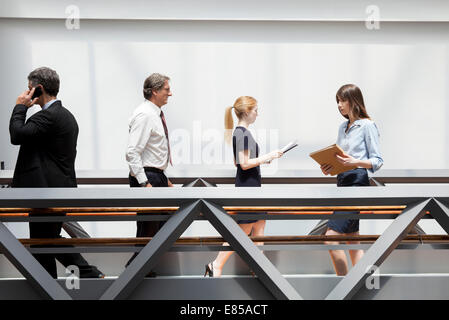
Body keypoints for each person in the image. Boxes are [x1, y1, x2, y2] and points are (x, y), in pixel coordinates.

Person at [9, 67, 104, 278]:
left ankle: (85, 275)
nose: (26, 94)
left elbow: (16, 135)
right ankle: (80, 276)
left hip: (47, 193)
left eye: (29, 89)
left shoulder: (49, 116)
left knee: (44, 243)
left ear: (38, 88)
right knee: (45, 243)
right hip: (52, 191)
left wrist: (19, 107)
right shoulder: (63, 115)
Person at [204, 96, 283, 277]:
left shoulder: (240, 133)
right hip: (248, 186)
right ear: (247, 112)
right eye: (255, 110)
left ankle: (259, 268)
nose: (257, 114)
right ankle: (216, 265)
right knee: (245, 229)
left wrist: (264, 160)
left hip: (251, 185)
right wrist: (268, 156)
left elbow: (238, 162)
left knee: (260, 225)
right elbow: (244, 163)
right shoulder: (242, 133)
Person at [320, 84, 383, 276]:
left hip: (357, 182)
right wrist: (329, 166)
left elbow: (377, 161)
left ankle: (343, 286)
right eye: (337, 101)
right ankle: (361, 287)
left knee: (330, 238)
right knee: (353, 241)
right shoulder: (343, 127)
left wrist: (355, 162)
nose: (339, 105)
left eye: (343, 100)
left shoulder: (367, 125)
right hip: (342, 182)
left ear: (353, 101)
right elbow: (341, 157)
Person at [125, 73, 174, 270]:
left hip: (156, 176)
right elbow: (132, 152)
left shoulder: (154, 113)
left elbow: (151, 152)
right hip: (148, 178)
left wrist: (164, 178)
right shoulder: (145, 114)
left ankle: (142, 270)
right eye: (166, 89)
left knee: (156, 231)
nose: (170, 93)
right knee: (149, 232)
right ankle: (135, 271)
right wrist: (145, 182)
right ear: (154, 91)